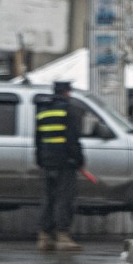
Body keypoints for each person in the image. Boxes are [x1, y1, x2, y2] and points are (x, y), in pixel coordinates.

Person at [34, 80, 85, 252]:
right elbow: (72, 139)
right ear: (66, 92)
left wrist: (40, 160)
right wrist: (78, 159)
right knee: (64, 199)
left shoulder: (43, 109)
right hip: (65, 162)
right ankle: (63, 237)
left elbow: (38, 139)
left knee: (49, 198)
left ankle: (44, 237)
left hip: (47, 161)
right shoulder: (68, 109)